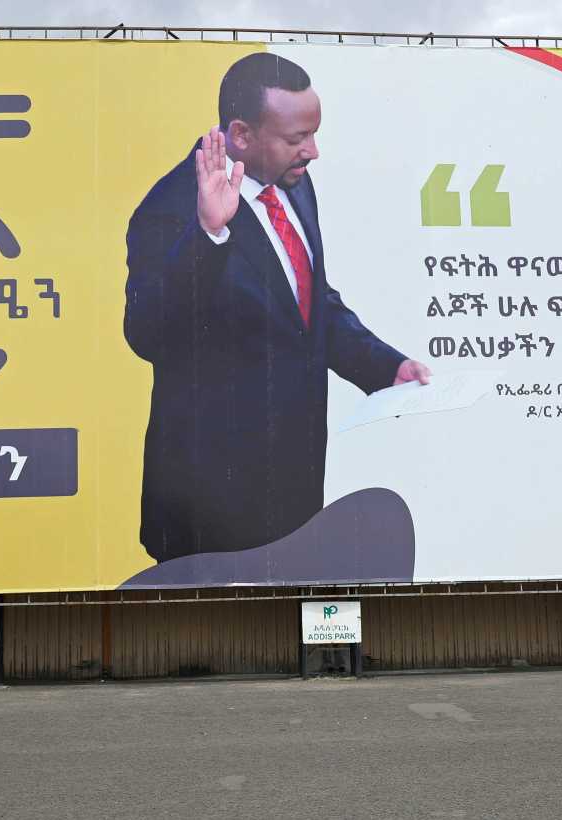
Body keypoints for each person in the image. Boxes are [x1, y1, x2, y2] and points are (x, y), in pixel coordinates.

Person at [124, 52, 431, 564]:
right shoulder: (169, 207)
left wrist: (387, 366)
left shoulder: (292, 181)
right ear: (241, 135)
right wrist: (209, 235)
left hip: (295, 498)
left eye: (313, 133)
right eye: (297, 138)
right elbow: (147, 334)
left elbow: (310, 307)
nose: (313, 152)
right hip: (209, 518)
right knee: (221, 644)